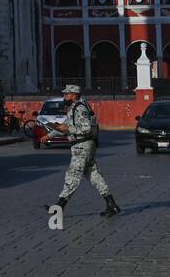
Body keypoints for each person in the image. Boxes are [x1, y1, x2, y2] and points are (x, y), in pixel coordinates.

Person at [49, 84, 120, 216]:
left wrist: (68, 130)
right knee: (94, 175)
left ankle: (59, 206)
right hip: (84, 145)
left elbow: (86, 128)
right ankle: (111, 204)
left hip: (82, 145)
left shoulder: (79, 108)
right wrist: (49, 135)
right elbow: (66, 125)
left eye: (66, 94)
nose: (64, 96)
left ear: (74, 95)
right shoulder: (75, 107)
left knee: (73, 174)